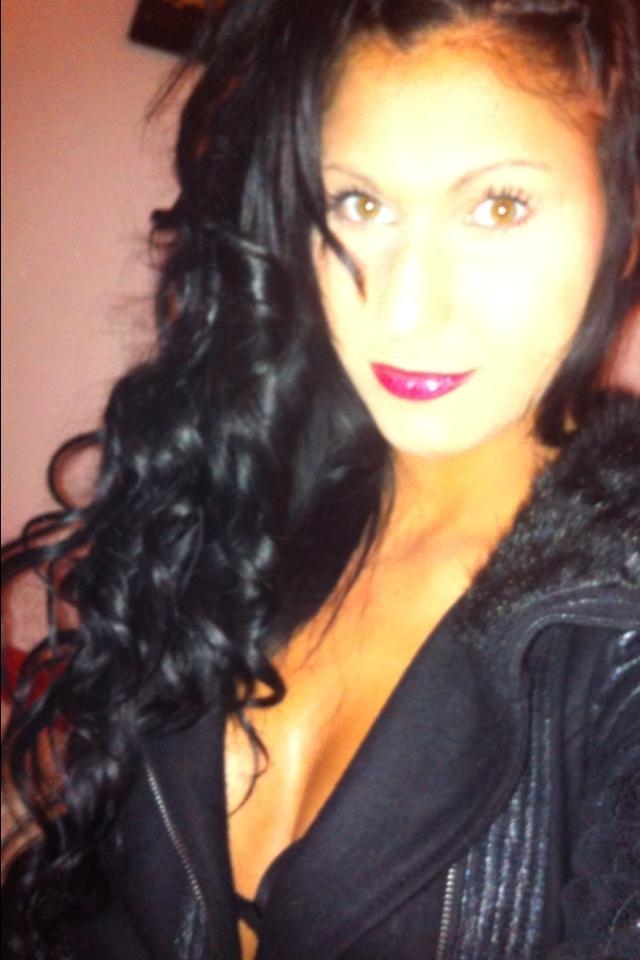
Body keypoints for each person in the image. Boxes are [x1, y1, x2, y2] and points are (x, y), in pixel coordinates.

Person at [2, 0, 639, 957]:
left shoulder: (617, 627)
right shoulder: (251, 504)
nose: (406, 308)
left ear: (624, 223)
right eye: (359, 205)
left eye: (499, 206)